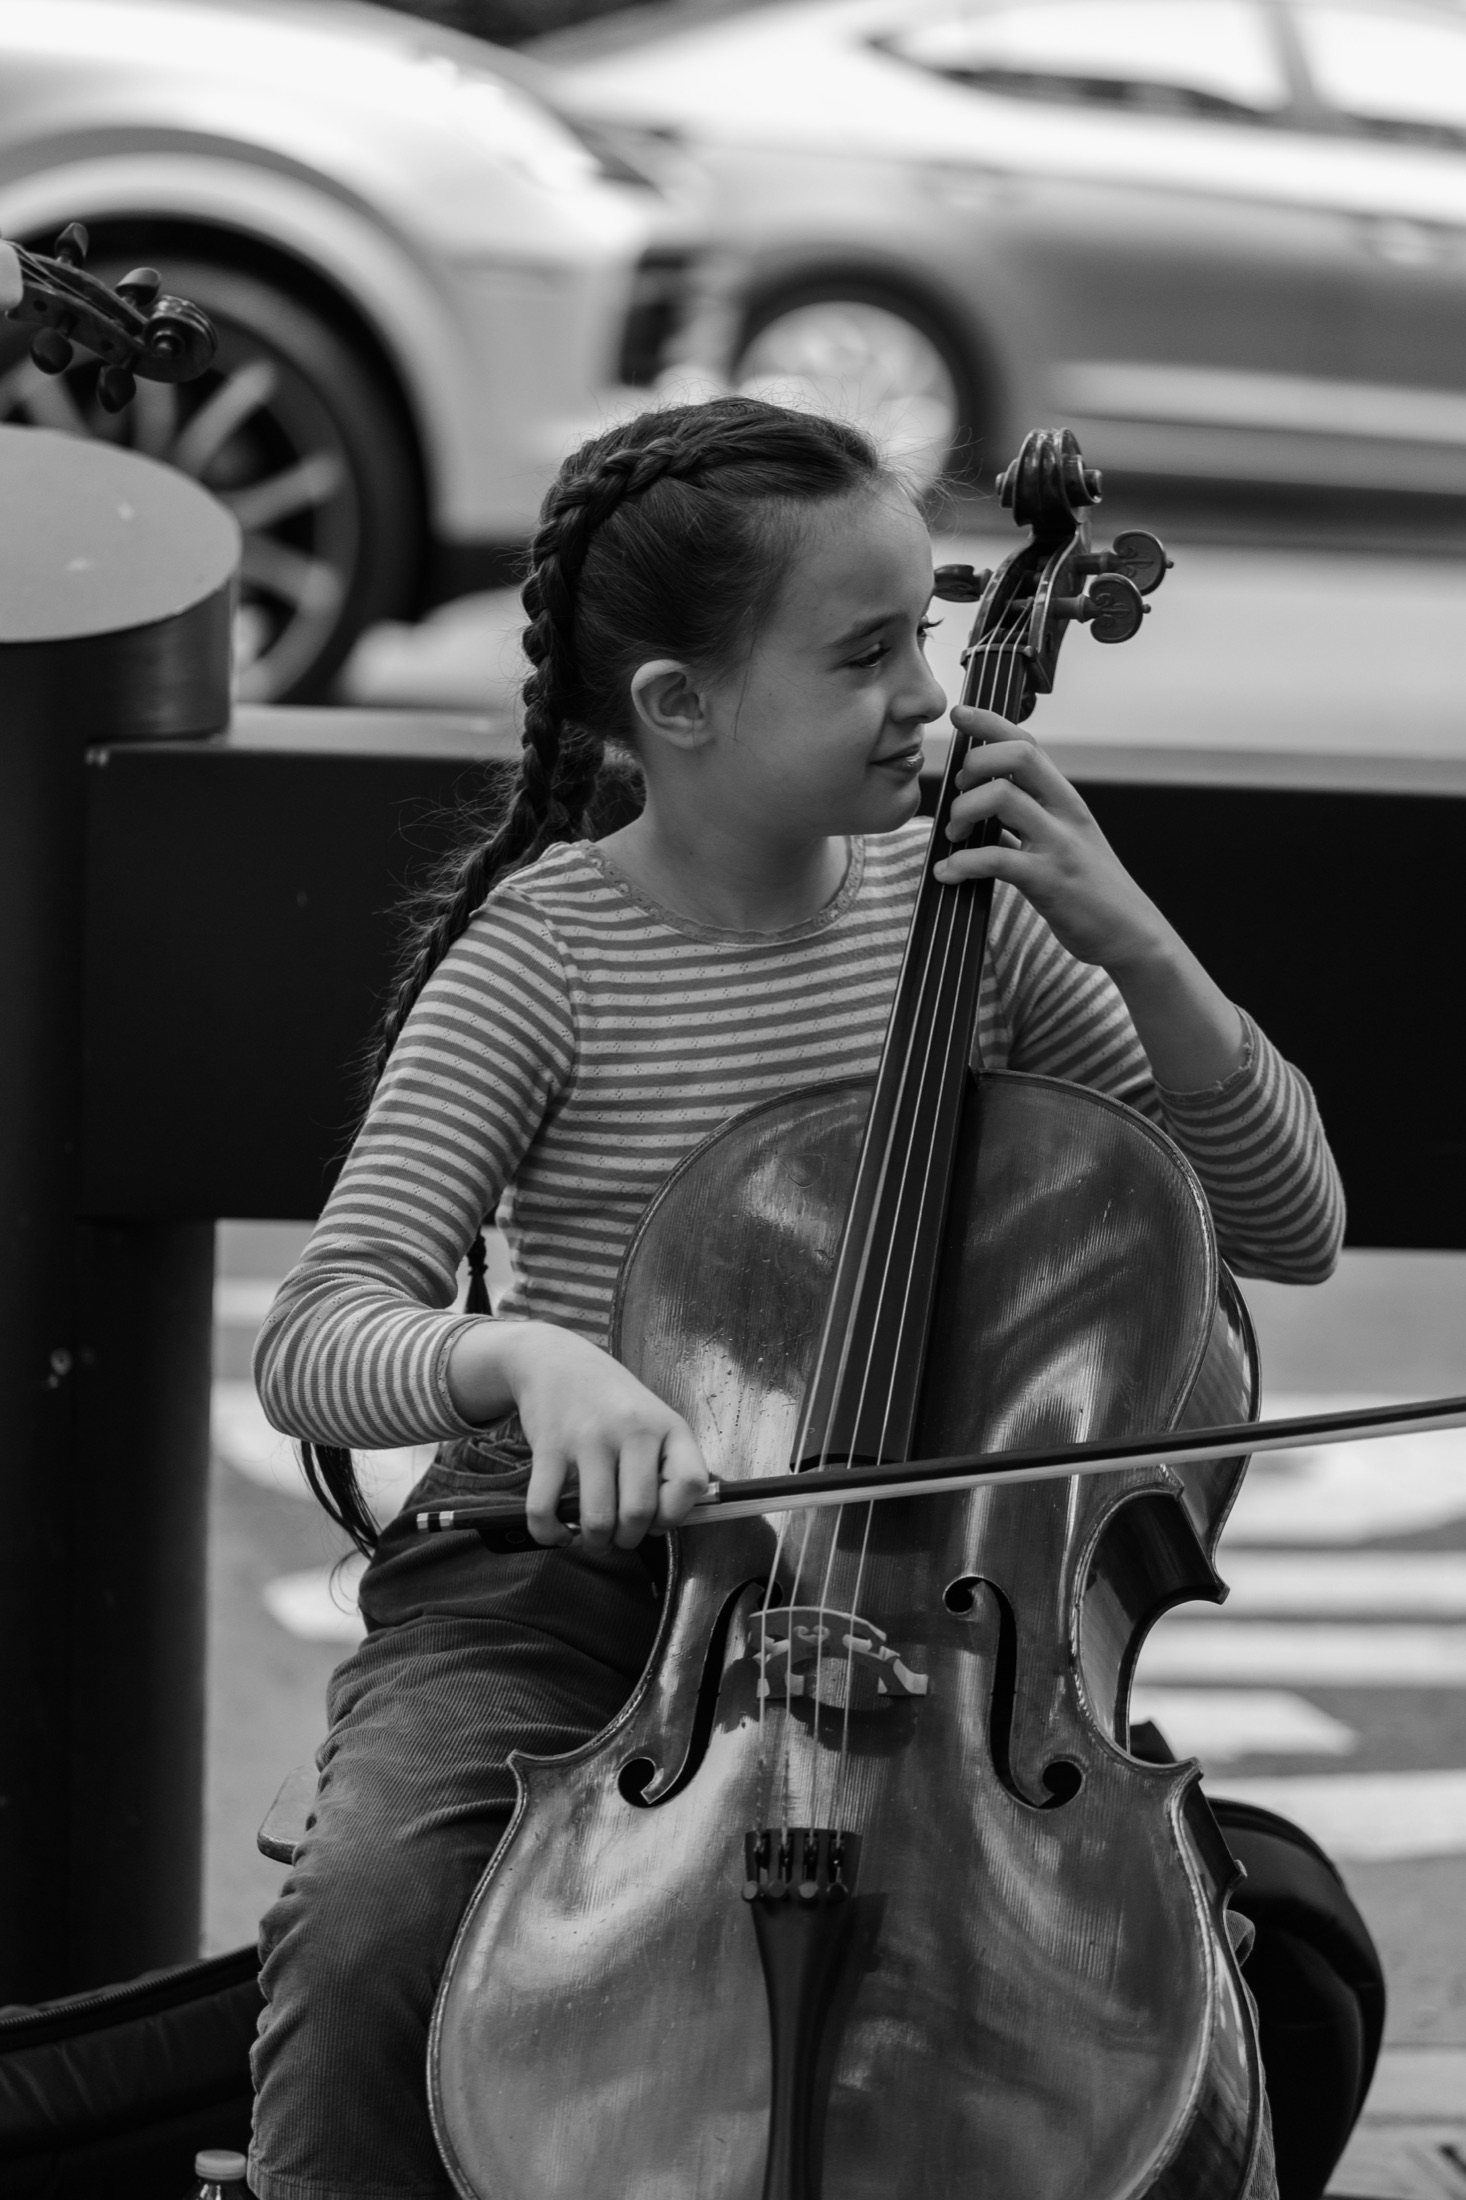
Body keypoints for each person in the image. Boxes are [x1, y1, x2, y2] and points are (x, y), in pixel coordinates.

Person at [249, 395, 1342, 2200]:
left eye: (922, 630)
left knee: (1185, 1985)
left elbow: (1283, 1223)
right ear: (677, 708)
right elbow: (320, 1330)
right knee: (372, 1921)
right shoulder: (549, 957)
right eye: (862, 654)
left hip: (938, 1602)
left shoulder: (963, 915)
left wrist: (1133, 934)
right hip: (567, 1582)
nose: (928, 693)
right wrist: (522, 1361)